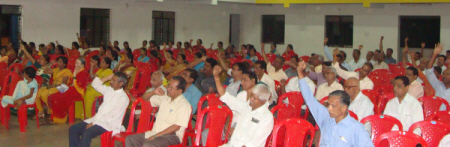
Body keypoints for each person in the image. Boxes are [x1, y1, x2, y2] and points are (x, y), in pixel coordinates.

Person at [297, 61, 373, 146]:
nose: (329, 108)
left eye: (333, 106)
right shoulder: (326, 117)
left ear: (344, 108)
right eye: (329, 105)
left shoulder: (356, 128)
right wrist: (300, 73)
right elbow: (309, 99)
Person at [211, 65, 273, 147]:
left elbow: (253, 143)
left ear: (263, 101)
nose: (251, 100)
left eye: (255, 98)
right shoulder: (246, 107)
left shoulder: (266, 117)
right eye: (251, 96)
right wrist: (216, 77)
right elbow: (226, 97)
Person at [125, 76, 191, 147]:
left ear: (179, 91)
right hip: (156, 132)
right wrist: (153, 92)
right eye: (168, 85)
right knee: (130, 139)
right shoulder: (165, 97)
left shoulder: (184, 105)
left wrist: (156, 136)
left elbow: (176, 127)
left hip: (172, 136)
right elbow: (143, 101)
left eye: (171, 88)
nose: (168, 89)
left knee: (148, 145)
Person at [69, 72, 130, 147]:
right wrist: (107, 77)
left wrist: (93, 123)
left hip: (108, 124)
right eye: (111, 80)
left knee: (87, 133)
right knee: (73, 129)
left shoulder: (123, 98)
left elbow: (111, 116)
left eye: (114, 81)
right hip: (97, 120)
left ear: (121, 83)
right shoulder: (109, 90)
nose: (111, 82)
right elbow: (95, 84)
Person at [35, 56, 73, 123]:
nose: (58, 63)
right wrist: (50, 64)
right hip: (53, 87)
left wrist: (53, 85)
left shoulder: (67, 71)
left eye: (60, 62)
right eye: (58, 61)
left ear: (64, 64)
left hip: (61, 88)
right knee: (38, 92)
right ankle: (41, 112)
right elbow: (45, 71)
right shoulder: (56, 70)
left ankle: (52, 112)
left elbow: (64, 85)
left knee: (44, 94)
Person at [425, 43, 450, 110]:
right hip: (436, 116)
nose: (444, 76)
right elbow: (428, 72)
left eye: (447, 74)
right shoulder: (439, 85)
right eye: (443, 74)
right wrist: (434, 55)